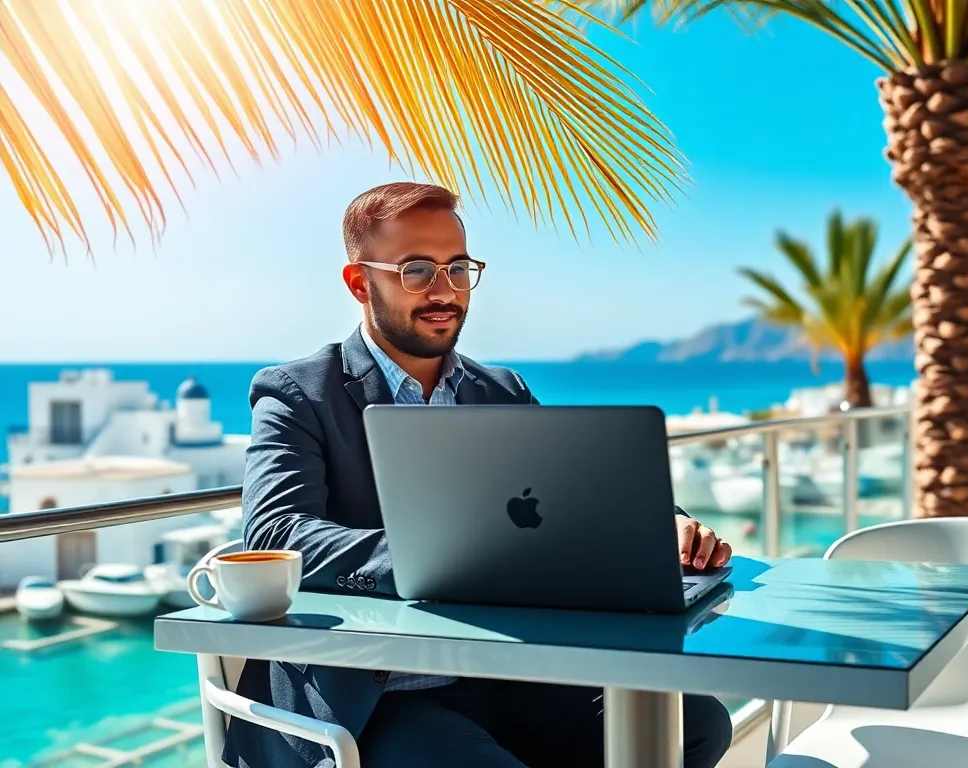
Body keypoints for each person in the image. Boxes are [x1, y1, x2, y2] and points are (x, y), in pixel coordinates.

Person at [226, 182, 735, 768]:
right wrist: (438, 560)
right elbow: (273, 534)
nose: (444, 291)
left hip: (507, 672)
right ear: (360, 282)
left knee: (693, 723)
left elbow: (582, 489)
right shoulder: (298, 393)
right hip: (374, 695)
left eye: (457, 268)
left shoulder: (501, 390)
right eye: (416, 270)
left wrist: (665, 527)